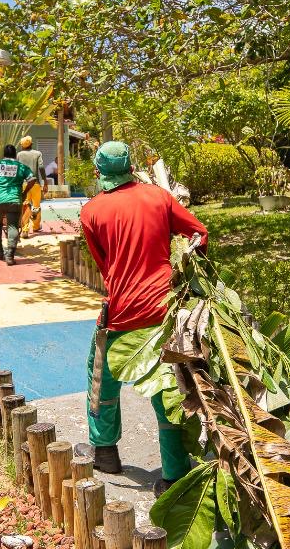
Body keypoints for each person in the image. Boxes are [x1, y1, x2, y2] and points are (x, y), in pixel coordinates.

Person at [79, 141, 208, 485]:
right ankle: (174, 474)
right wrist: (190, 270)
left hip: (122, 310)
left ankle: (104, 451)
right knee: (167, 388)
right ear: (132, 168)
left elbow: (104, 265)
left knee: (101, 376)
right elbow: (199, 233)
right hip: (165, 309)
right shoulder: (159, 197)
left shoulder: (91, 211)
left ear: (98, 172)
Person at [0, 144, 35, 264]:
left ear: (4, 154)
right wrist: (25, 192)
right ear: (15, 154)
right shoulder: (21, 167)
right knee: (13, 226)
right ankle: (10, 256)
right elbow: (32, 179)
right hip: (14, 199)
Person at [16, 135, 49, 235]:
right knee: (36, 206)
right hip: (35, 183)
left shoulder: (19, 155)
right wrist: (45, 181)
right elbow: (41, 167)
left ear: (22, 145)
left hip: (23, 184)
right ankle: (36, 226)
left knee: (25, 205)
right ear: (31, 144)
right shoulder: (37, 153)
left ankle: (25, 229)